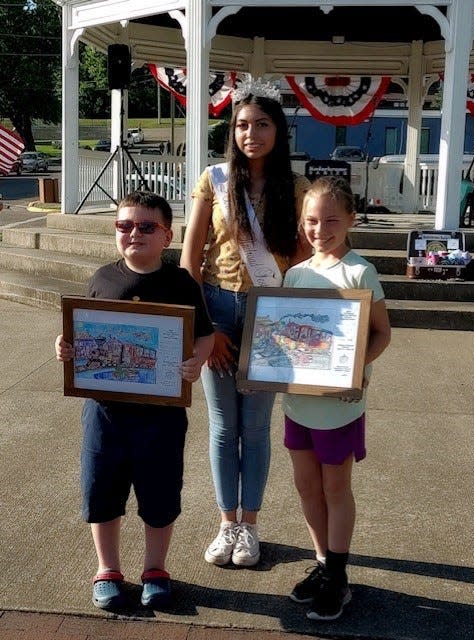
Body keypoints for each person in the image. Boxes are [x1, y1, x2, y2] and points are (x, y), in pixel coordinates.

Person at [55, 191, 214, 610]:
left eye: (147, 227)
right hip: (105, 413)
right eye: (124, 226)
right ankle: (107, 568)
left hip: (162, 415)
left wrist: (196, 361)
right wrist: (66, 347)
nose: (134, 234)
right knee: (101, 488)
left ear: (168, 235)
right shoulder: (101, 278)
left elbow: (205, 334)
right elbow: (80, 333)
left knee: (159, 492)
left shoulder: (182, 283)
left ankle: (155, 569)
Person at [180, 77, 311, 567]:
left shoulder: (296, 188)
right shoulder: (213, 180)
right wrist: (203, 330)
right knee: (220, 426)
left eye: (260, 124)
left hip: (269, 315)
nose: (249, 133)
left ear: (278, 130)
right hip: (216, 306)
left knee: (255, 428)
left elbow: (305, 256)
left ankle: (250, 527)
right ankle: (225, 523)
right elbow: (190, 259)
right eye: (240, 124)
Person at [283, 177, 391, 620]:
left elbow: (382, 332)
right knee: (307, 486)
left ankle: (339, 576)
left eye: (331, 219)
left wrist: (355, 370)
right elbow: (283, 333)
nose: (320, 228)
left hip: (339, 405)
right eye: (311, 220)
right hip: (298, 402)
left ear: (350, 219)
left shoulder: (359, 270)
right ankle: (324, 563)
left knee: (335, 487)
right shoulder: (295, 273)